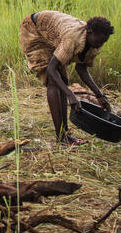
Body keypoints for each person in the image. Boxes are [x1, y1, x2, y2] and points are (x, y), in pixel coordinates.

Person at [18, 11, 115, 145]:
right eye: (99, 40)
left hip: (53, 35)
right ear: (90, 32)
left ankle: (66, 135)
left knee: (62, 81)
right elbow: (51, 69)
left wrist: (99, 95)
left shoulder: (95, 45)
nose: (100, 44)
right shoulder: (72, 39)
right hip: (35, 30)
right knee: (53, 81)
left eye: (104, 41)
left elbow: (81, 68)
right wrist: (71, 95)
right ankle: (61, 137)